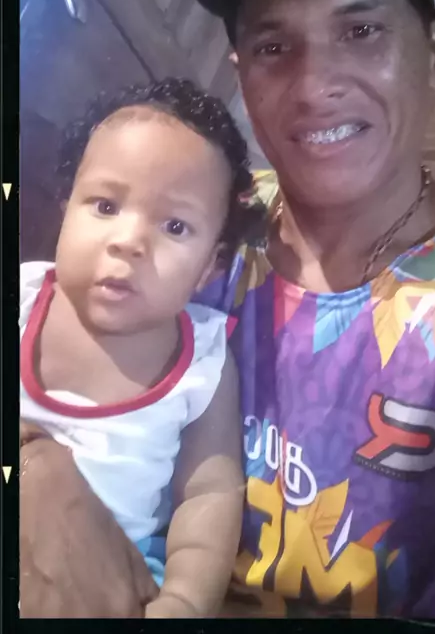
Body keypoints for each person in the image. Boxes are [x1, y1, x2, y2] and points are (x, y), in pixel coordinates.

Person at [20, 0, 435, 619]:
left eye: (360, 30)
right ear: (240, 75)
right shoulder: (189, 219)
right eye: (272, 47)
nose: (314, 84)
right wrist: (36, 470)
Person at [20, 77, 261, 618]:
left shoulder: (203, 363)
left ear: (210, 267)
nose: (128, 241)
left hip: (118, 590)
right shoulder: (24, 298)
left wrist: (184, 600)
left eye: (174, 225)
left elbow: (208, 493)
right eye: (105, 205)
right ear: (65, 208)